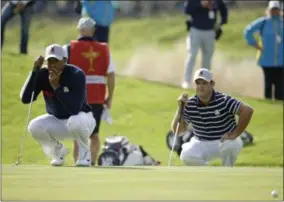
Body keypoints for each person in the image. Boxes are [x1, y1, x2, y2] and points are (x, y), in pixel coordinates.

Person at [20, 44, 96, 167]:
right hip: (58, 121)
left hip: (83, 120)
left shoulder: (76, 74)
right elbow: (26, 99)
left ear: (64, 60)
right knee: (34, 126)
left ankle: (84, 154)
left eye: (56, 60)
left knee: (75, 120)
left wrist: (56, 87)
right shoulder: (43, 74)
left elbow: (74, 109)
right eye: (49, 60)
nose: (52, 64)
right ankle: (58, 151)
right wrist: (34, 72)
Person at [171, 68, 254, 166]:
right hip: (202, 142)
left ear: (212, 84)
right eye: (198, 83)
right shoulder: (190, 104)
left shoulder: (223, 99)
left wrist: (235, 133)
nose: (201, 86)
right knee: (186, 155)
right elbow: (179, 131)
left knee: (230, 146)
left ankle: (227, 172)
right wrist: (180, 109)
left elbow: (247, 110)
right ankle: (209, 176)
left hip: (225, 140)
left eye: (204, 83)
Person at [63, 17, 115, 166]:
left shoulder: (68, 48)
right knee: (94, 134)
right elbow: (111, 75)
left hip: (76, 98)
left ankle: (78, 163)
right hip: (97, 98)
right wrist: (109, 97)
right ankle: (91, 162)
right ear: (93, 30)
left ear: (79, 29)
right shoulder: (104, 48)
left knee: (77, 134)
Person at [182, 0, 228, 89]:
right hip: (195, 30)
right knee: (192, 56)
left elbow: (223, 10)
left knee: (207, 59)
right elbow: (187, 10)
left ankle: (205, 83)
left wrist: (221, 23)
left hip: (210, 31)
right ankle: (187, 81)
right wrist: (200, 4)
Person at [244, 1, 284, 101]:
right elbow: (247, 31)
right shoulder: (263, 22)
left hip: (281, 61)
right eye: (273, 9)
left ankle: (278, 106)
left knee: (280, 85)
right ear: (269, 10)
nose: (274, 11)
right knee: (268, 84)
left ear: (279, 10)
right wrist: (255, 44)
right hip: (266, 60)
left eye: (276, 9)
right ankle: (268, 103)